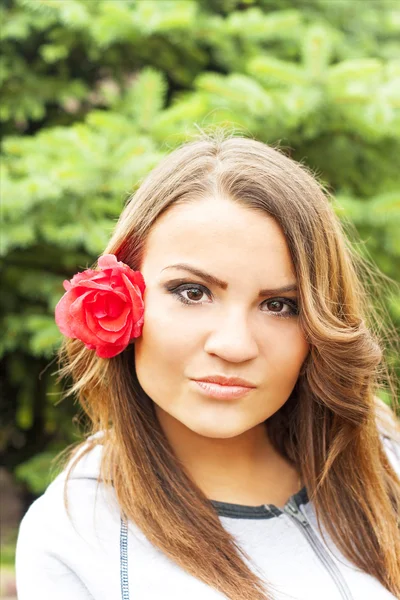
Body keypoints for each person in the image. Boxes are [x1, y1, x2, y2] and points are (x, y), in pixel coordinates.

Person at [15, 131, 400, 600]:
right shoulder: (74, 536)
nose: (234, 345)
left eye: (280, 305)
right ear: (125, 297)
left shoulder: (382, 454)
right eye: (192, 292)